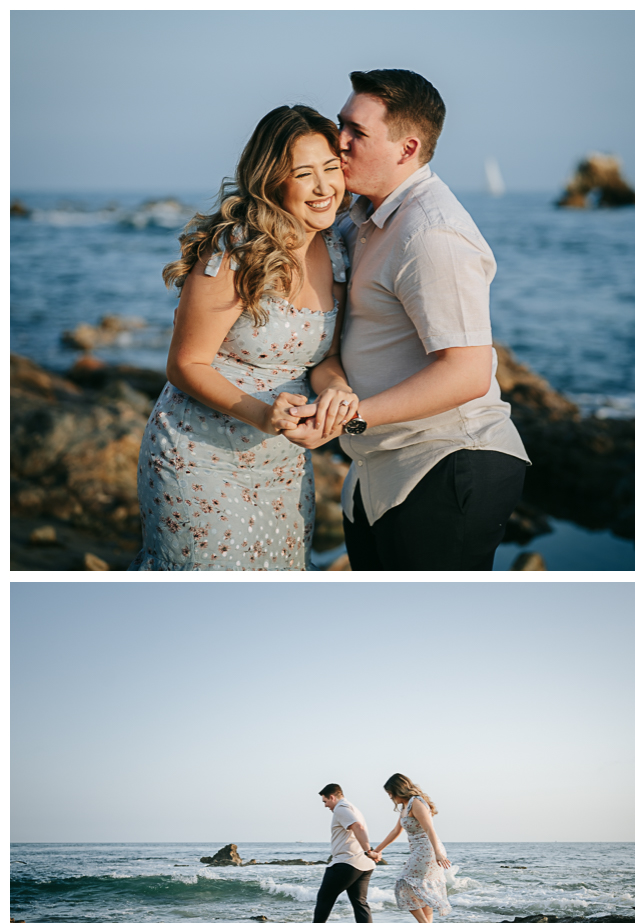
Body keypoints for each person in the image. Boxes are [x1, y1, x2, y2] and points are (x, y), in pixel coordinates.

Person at [285, 70, 530, 570]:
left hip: (447, 464)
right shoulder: (362, 219)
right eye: (341, 125)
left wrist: (345, 421)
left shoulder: (431, 234)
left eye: (358, 132)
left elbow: (466, 373)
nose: (340, 142)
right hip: (377, 471)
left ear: (406, 148)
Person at [128, 105, 359, 571]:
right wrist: (262, 414)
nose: (324, 187)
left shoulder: (335, 248)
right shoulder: (235, 248)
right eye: (304, 173)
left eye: (331, 169)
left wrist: (336, 389)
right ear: (274, 180)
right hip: (199, 460)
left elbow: (326, 355)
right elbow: (185, 364)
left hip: (284, 466)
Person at [370, 773, 450, 923]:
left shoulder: (417, 802)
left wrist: (437, 852)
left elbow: (430, 829)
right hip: (419, 851)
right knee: (421, 892)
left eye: (391, 793)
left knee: (403, 884)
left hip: (428, 850)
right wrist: (377, 851)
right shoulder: (405, 806)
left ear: (399, 789)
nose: (390, 797)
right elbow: (395, 832)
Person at [298, 784, 378, 923]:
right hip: (363, 865)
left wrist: (368, 850)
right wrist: (367, 853)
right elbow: (359, 828)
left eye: (325, 801)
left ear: (332, 797)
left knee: (324, 899)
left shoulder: (341, 808)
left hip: (346, 863)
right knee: (360, 905)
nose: (325, 805)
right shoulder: (353, 808)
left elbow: (358, 827)